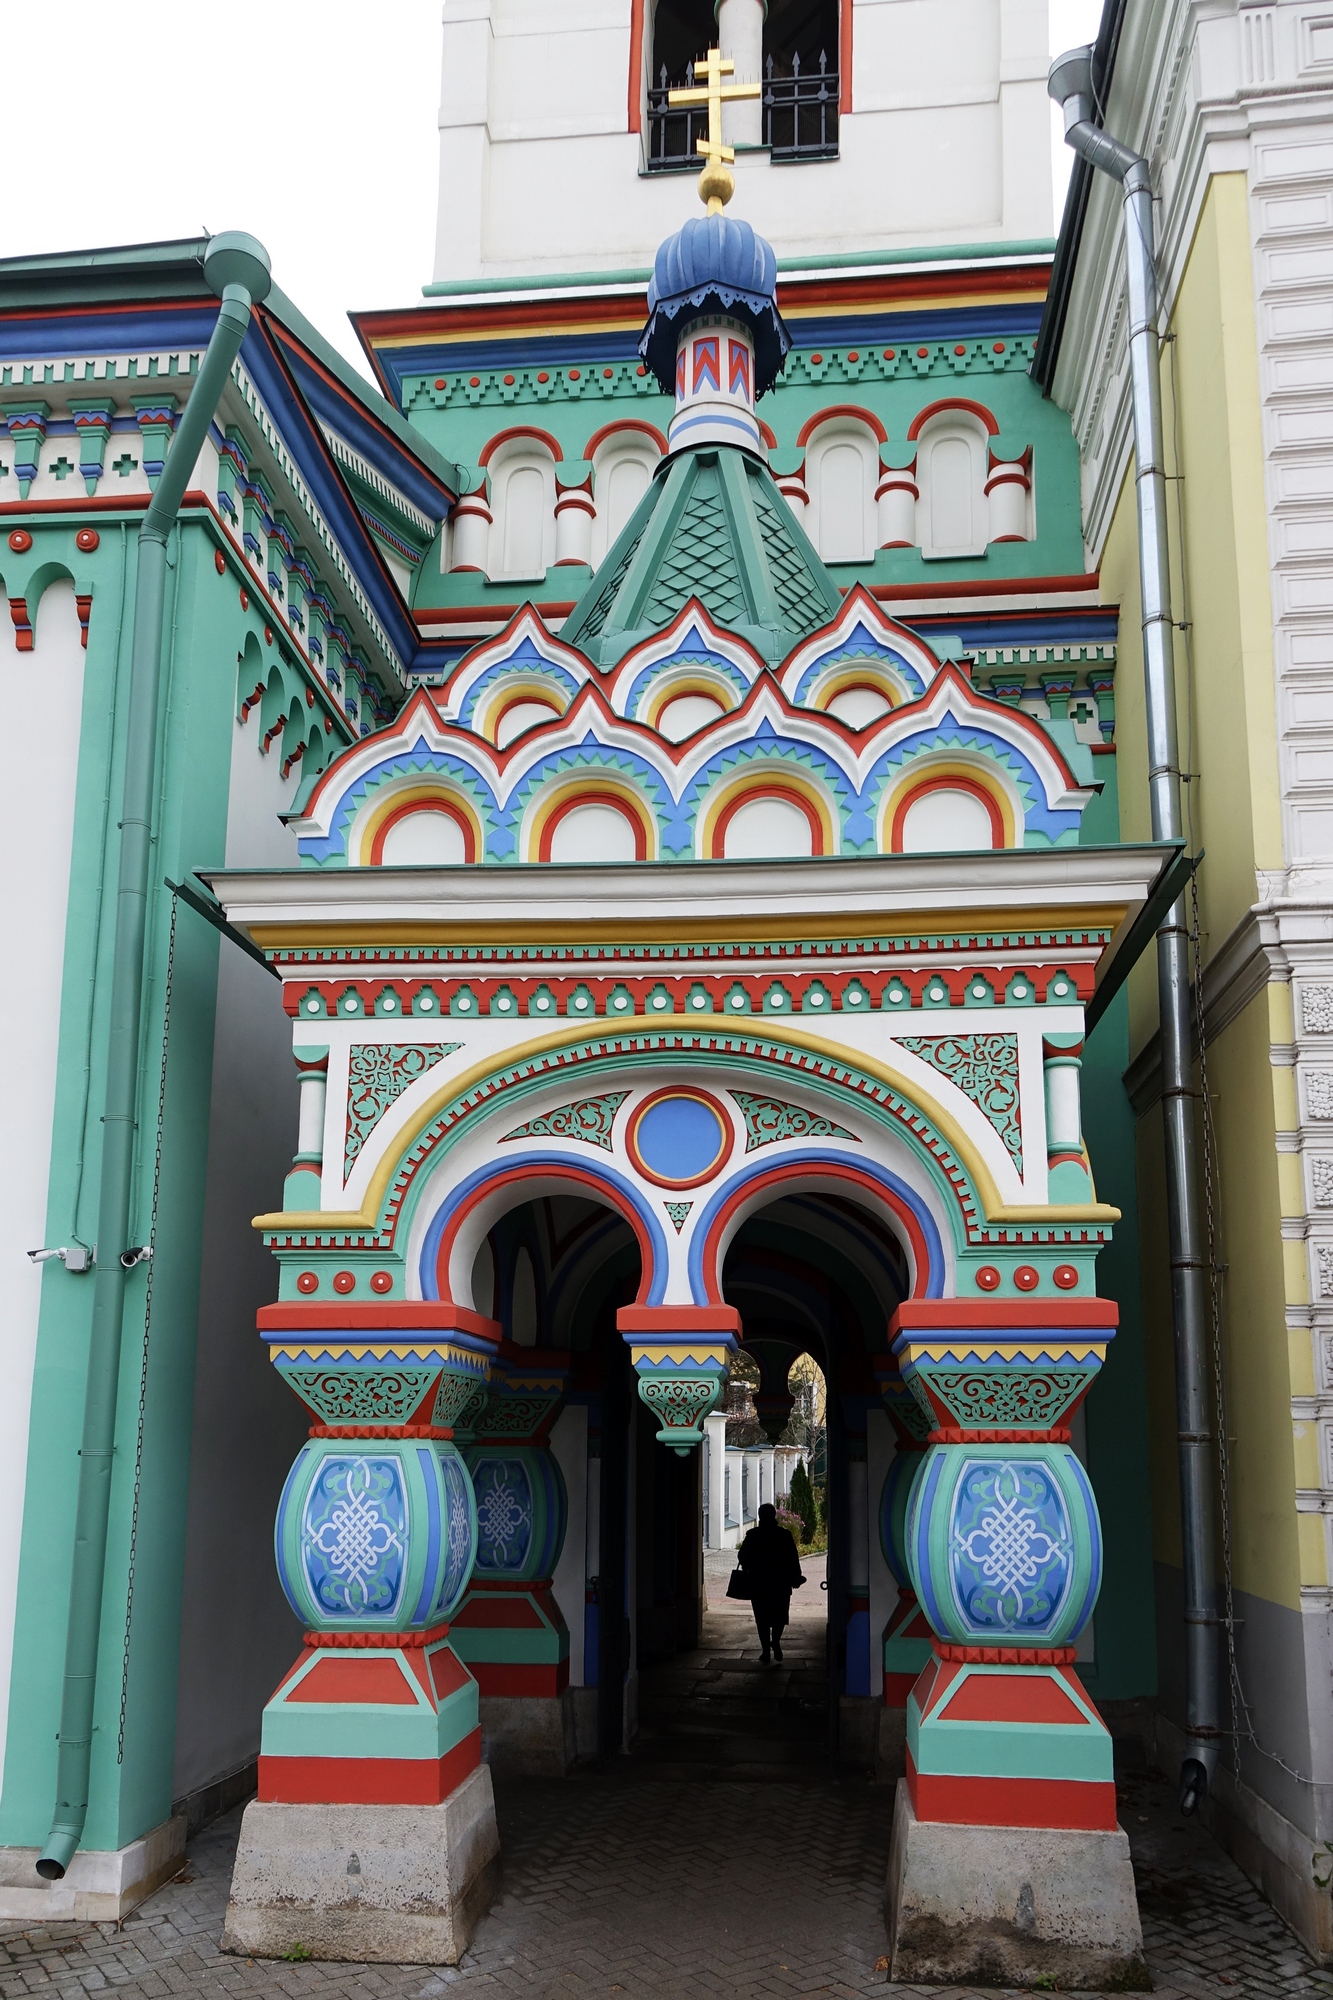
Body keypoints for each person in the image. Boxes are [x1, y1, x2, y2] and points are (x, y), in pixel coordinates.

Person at [739, 1502, 805, 1663]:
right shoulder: (784, 1535)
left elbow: (742, 1556)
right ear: (774, 1515)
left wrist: (750, 1568)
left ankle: (765, 1651)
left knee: (761, 1618)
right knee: (779, 1616)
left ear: (760, 1516)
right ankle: (775, 1642)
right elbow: (793, 1558)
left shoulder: (753, 1535)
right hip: (781, 1583)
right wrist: (796, 1577)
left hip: (758, 1582)